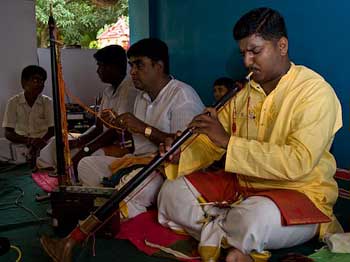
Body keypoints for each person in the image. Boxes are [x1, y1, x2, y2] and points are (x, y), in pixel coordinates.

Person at [157, 7, 343, 262]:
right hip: (241, 190)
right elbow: (211, 144)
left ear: (282, 46)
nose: (246, 62)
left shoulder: (315, 93)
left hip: (301, 195)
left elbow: (298, 161)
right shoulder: (242, 94)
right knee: (170, 192)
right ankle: (230, 238)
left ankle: (219, 229)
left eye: (255, 51)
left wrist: (227, 141)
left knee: (255, 217)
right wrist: (181, 152)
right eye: (243, 53)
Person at [78, 38, 204, 219]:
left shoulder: (182, 96)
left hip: (165, 169)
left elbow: (185, 148)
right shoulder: (141, 97)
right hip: (138, 161)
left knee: (128, 186)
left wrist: (144, 128)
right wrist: (117, 123)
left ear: (158, 66)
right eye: (131, 66)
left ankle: (119, 212)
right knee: (86, 165)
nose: (133, 72)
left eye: (139, 65)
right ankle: (116, 207)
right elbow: (135, 143)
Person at [36, 45, 138, 174]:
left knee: (86, 159)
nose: (97, 71)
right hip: (101, 141)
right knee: (57, 143)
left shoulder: (130, 91)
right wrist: (79, 141)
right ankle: (50, 170)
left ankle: (68, 174)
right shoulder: (108, 91)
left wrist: (87, 149)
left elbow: (115, 132)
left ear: (113, 67)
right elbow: (99, 127)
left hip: (120, 146)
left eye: (100, 66)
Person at [0, 65, 54, 167]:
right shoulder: (13, 102)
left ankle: (26, 158)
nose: (39, 84)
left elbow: (53, 129)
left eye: (42, 81)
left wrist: (40, 142)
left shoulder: (48, 102)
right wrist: (29, 141)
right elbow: (8, 132)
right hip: (21, 143)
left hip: (43, 143)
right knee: (1, 144)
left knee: (56, 142)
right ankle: (35, 158)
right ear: (23, 82)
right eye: (35, 80)